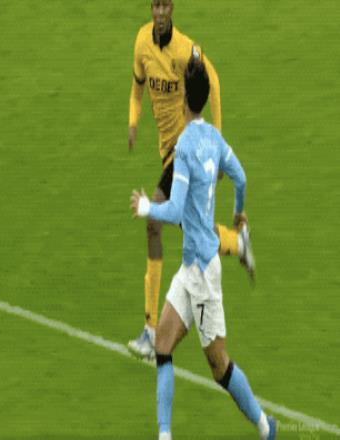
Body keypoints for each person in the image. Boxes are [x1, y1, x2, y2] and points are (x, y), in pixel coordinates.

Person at [130, 57, 276, 440]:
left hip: (204, 276)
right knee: (163, 345)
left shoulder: (185, 146)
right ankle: (164, 435)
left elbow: (175, 210)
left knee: (219, 366)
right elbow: (240, 177)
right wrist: (239, 215)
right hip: (191, 268)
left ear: (182, 98)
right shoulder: (214, 138)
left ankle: (265, 426)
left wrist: (146, 208)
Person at [127, 0, 255, 360]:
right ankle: (237, 243)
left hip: (184, 150)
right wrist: (133, 122)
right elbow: (137, 88)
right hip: (168, 150)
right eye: (155, 5)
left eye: (165, 5)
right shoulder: (142, 42)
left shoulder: (186, 50)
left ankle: (151, 330)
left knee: (154, 221)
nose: (160, 12)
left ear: (172, 9)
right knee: (193, 228)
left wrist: (216, 135)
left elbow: (213, 79)